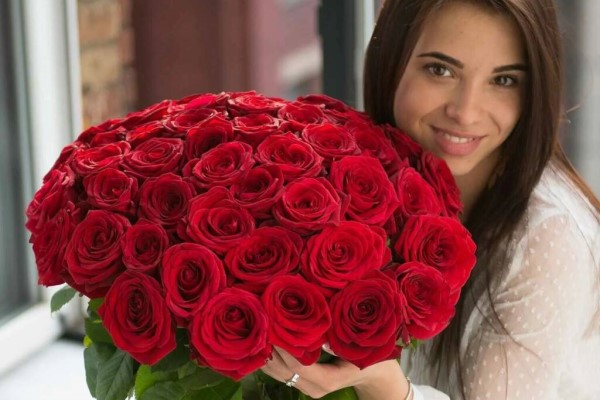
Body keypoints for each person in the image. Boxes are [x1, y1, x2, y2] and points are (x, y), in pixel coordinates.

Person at [261, 0, 600, 399]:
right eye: (441, 70)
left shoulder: (547, 240)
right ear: (392, 61)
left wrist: (380, 383)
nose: (466, 112)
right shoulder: (367, 185)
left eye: (504, 80)